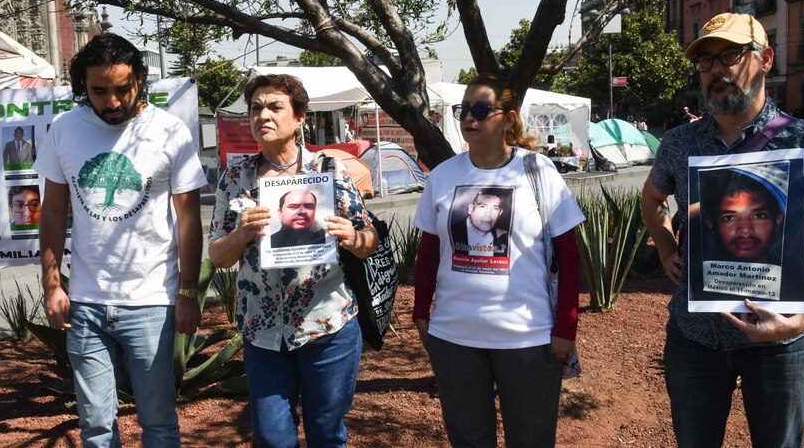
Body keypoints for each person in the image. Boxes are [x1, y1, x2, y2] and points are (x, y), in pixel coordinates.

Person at [640, 12, 804, 448]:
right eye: (706, 62)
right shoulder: (680, 143)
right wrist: (664, 248)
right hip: (696, 339)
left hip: (782, 345)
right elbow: (652, 201)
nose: (716, 70)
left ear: (766, 58)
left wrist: (799, 320)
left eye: (730, 55)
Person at [34, 33, 206, 447]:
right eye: (99, 91)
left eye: (123, 89)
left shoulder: (169, 131)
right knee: (95, 426)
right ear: (82, 88)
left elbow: (188, 220)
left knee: (158, 422)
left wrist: (187, 293)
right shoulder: (64, 129)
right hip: (87, 303)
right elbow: (54, 212)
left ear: (141, 80)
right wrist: (52, 285)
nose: (112, 102)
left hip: (152, 302)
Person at [413, 73, 584, 447]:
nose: (468, 119)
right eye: (463, 110)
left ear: (508, 118)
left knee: (531, 439)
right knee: (469, 438)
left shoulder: (538, 170)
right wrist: (421, 313)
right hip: (455, 335)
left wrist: (565, 328)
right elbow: (428, 250)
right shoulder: (443, 176)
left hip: (528, 338)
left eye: (480, 109)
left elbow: (569, 256)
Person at [208, 73, 377, 447]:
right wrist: (241, 234)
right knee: (271, 438)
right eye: (255, 108)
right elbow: (218, 255)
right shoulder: (236, 178)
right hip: (264, 333)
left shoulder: (328, 170)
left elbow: (369, 238)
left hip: (328, 324)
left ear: (300, 117)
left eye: (274, 107)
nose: (262, 115)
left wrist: (351, 237)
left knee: (327, 433)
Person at [700, 170, 784, 264]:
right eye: (729, 218)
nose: (745, 230)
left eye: (759, 216)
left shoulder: (798, 275)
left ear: (778, 221)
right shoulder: (694, 275)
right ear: (711, 225)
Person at [459, 188, 510, 257]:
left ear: (500, 213)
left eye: (495, 208)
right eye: (482, 206)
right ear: (471, 209)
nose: (488, 214)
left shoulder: (504, 237)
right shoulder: (452, 230)